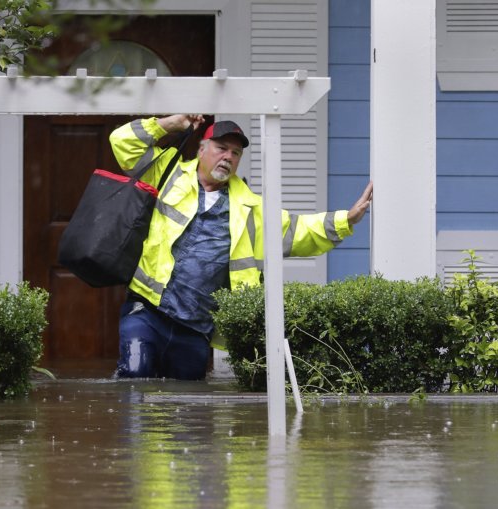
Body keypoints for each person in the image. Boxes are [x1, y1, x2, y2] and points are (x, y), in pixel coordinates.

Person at [110, 114, 373, 380]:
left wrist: (346, 220)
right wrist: (170, 124)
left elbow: (299, 231)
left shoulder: (251, 207)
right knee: (135, 378)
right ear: (202, 149)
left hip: (195, 329)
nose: (228, 157)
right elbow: (123, 143)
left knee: (186, 407)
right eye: (221, 148)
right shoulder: (168, 172)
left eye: (236, 153)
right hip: (147, 312)